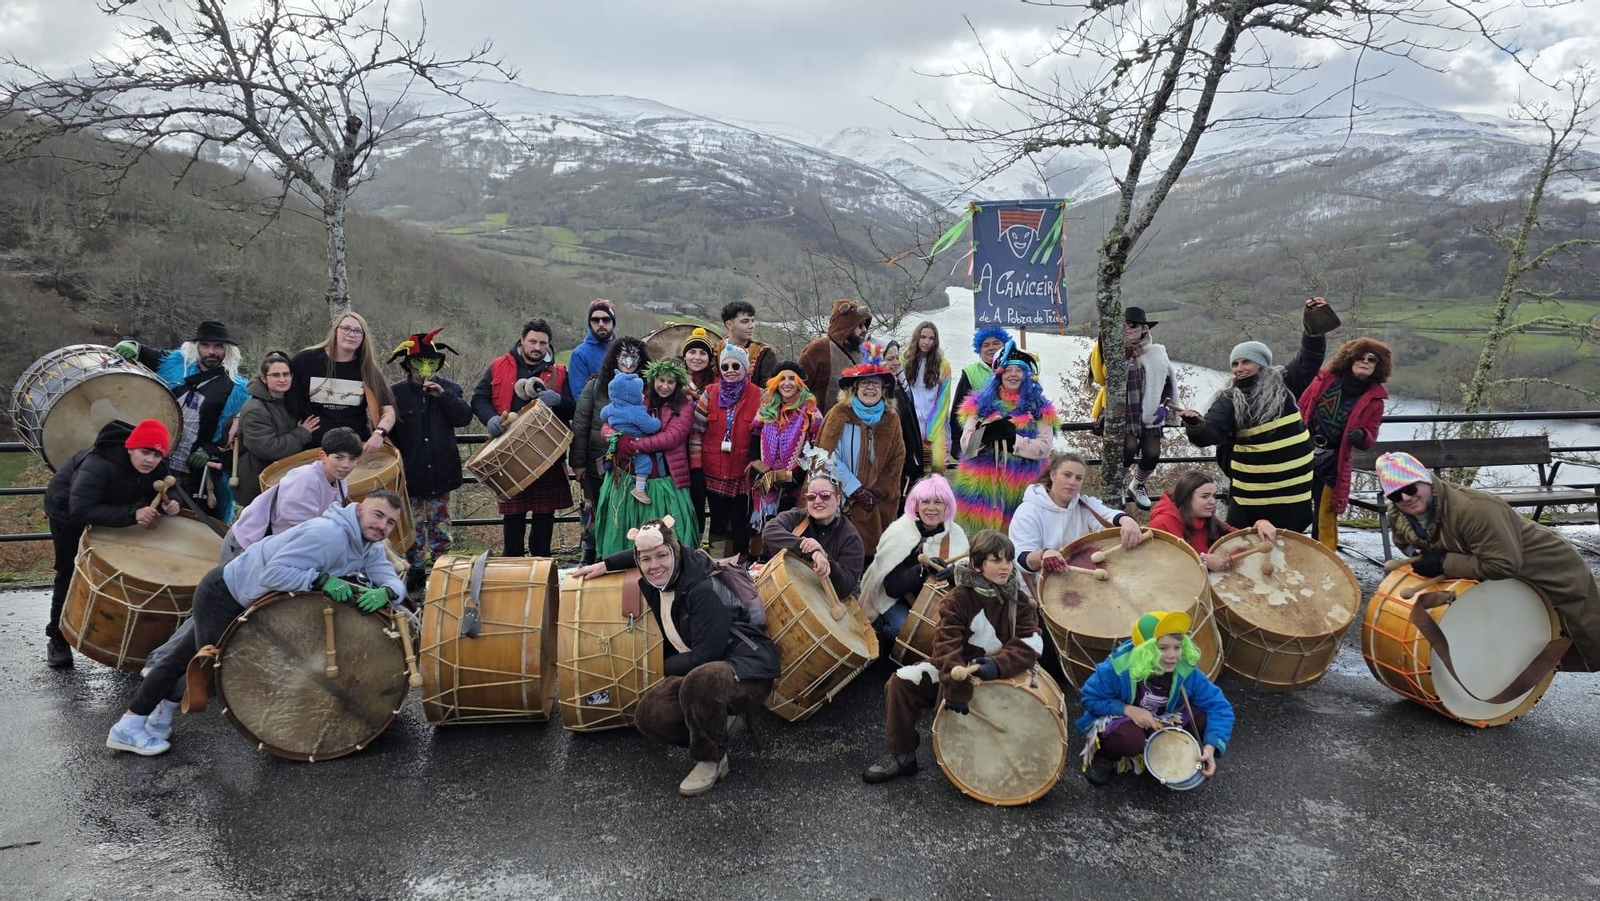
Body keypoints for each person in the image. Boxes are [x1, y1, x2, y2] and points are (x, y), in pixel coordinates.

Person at [104, 492, 409, 756]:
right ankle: (129, 726)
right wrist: (321, 579)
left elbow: (393, 583)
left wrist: (386, 592)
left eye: (390, 522)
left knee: (183, 660)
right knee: (205, 667)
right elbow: (272, 574)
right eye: (377, 515)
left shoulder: (368, 546)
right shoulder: (327, 534)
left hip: (245, 597)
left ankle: (157, 718)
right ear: (358, 510)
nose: (382, 526)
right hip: (225, 594)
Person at [571, 517, 780, 797]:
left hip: (746, 669)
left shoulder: (702, 589)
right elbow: (646, 550)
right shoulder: (662, 576)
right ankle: (717, 728)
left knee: (700, 680)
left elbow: (705, 657)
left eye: (661, 556)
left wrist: (656, 666)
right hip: (704, 673)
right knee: (648, 715)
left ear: (675, 552)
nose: (654, 565)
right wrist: (607, 564)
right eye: (645, 560)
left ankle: (712, 759)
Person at [143, 428, 365, 677]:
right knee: (218, 607)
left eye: (352, 459)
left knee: (235, 610)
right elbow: (297, 536)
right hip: (246, 545)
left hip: (268, 549)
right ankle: (160, 662)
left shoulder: (339, 481)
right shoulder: (304, 481)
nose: (346, 465)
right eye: (339, 457)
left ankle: (221, 668)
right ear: (323, 456)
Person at [1379, 451, 1600, 671]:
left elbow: (1502, 564)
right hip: (1502, 571)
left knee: (1585, 639)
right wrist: (1417, 553)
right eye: (1396, 495)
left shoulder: (1474, 509)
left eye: (1410, 488)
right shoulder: (1398, 513)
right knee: (1514, 645)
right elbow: (1404, 541)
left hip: (1550, 569)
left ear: (1426, 481)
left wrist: (1442, 563)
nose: (1405, 498)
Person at [862, 529, 1043, 783]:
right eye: (997, 560)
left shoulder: (1019, 600)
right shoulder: (958, 597)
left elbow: (1031, 643)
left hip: (1001, 676)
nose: (1006, 567)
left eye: (1009, 560)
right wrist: (956, 684)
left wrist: (997, 665)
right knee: (901, 682)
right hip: (958, 670)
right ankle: (901, 757)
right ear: (977, 565)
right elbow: (945, 645)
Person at [1179, 297, 1331, 532]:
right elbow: (1209, 434)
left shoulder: (1285, 383)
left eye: (1246, 362)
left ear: (1261, 363)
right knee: (1244, 543)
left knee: (1288, 544)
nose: (1239, 368)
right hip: (1253, 494)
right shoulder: (1229, 398)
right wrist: (1196, 424)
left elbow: (1310, 357)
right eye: (1235, 364)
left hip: (1293, 491)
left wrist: (1313, 325)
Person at [41, 419, 178, 668]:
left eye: (157, 455)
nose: (150, 460)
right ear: (130, 448)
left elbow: (162, 487)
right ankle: (58, 638)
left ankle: (124, 636)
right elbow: (80, 510)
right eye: (145, 452)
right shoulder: (99, 464)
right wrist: (132, 515)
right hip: (67, 513)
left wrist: (172, 504)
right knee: (70, 572)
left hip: (111, 508)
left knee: (129, 572)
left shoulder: (156, 465)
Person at [1075, 610, 1235, 786]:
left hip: (1162, 718)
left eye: (1177, 646)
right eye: (1163, 648)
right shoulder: (1117, 668)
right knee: (1129, 739)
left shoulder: (1185, 670)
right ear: (1146, 650)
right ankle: (1106, 756)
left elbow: (1219, 707)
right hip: (1122, 719)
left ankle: (1175, 750)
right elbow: (1089, 698)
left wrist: (1211, 746)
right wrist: (1128, 709)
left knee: (1204, 716)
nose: (1173, 655)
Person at [115, 320, 249, 519]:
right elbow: (141, 351)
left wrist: (209, 450)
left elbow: (232, 433)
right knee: (143, 518)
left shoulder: (236, 389)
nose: (211, 351)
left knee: (188, 527)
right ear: (197, 347)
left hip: (194, 472)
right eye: (205, 345)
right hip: (154, 461)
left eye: (218, 346)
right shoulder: (176, 365)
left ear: (227, 350)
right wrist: (129, 345)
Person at [472, 318, 577, 558]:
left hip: (546, 456)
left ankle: (539, 574)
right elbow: (478, 399)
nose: (537, 347)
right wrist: (490, 420)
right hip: (508, 454)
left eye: (543, 343)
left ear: (548, 345)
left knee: (544, 520)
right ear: (522, 341)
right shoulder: (499, 365)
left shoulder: (560, 372)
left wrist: (558, 400)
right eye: (532, 341)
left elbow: (574, 408)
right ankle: (513, 573)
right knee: (512, 521)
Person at [387, 328, 473, 592]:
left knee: (440, 530)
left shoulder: (450, 389)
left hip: (441, 474)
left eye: (431, 364)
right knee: (410, 531)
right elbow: (387, 431)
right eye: (418, 364)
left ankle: (442, 572)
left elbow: (465, 417)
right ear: (407, 366)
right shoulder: (395, 395)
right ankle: (414, 572)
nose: (424, 370)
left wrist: (443, 396)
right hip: (410, 477)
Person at [593, 358, 700, 556]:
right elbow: (607, 424)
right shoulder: (637, 399)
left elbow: (671, 438)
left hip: (664, 479)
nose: (665, 386)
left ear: (678, 383)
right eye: (661, 380)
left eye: (671, 382)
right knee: (626, 528)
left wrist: (634, 445)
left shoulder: (684, 407)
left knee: (665, 534)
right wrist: (617, 437)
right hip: (628, 477)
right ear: (652, 380)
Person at [953, 340, 1058, 538]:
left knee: (1020, 542)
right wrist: (987, 433)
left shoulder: (1039, 408)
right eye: (1008, 370)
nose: (1012, 374)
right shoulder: (979, 405)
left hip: (1021, 490)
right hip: (981, 491)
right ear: (999, 374)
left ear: (1026, 375)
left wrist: (1013, 441)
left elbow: (1044, 446)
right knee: (982, 545)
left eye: (1018, 370)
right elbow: (966, 445)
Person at [1297, 338, 1391, 550]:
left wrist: (1362, 435)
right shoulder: (1325, 379)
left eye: (1372, 359)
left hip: (1332, 462)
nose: (1365, 362)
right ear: (1349, 359)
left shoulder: (1375, 400)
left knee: (1325, 515)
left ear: (1378, 366)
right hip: (1302, 453)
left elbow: (1370, 438)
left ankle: (1326, 562)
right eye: (1360, 357)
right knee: (1294, 507)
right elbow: (1301, 408)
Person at [856, 474, 969, 645]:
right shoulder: (899, 532)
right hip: (895, 600)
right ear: (916, 505)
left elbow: (968, 580)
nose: (931, 508)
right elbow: (891, 588)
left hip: (934, 604)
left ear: (947, 506)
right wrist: (922, 570)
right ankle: (882, 634)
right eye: (925, 502)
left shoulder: (956, 534)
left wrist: (956, 573)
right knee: (903, 628)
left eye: (938, 502)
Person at [817, 344, 906, 558]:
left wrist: (875, 492)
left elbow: (896, 461)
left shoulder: (891, 420)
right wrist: (854, 489)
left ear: (883, 390)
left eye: (875, 383)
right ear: (854, 388)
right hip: (838, 498)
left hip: (875, 502)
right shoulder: (839, 413)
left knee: (868, 556)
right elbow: (825, 456)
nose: (870, 388)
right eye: (864, 383)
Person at [1089, 307, 1177, 510]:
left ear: (1144, 329)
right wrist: (1104, 349)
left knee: (1153, 453)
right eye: (1123, 326)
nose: (1127, 329)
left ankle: (1137, 484)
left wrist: (1166, 407)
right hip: (1122, 411)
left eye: (1133, 325)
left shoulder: (1156, 353)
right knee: (1127, 448)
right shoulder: (1112, 351)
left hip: (1149, 411)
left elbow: (1168, 382)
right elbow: (1101, 379)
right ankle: (1117, 484)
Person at [1009, 452, 1144, 585]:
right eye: (1067, 475)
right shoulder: (1027, 511)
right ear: (1053, 475)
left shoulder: (1084, 504)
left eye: (1078, 478)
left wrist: (1127, 521)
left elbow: (1107, 515)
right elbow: (1021, 558)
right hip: (1037, 593)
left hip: (1079, 585)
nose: (1072, 482)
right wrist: (1042, 555)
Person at [571, 337, 648, 563]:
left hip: (631, 463)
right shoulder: (595, 386)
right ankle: (590, 550)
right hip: (598, 459)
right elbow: (581, 424)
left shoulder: (646, 387)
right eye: (623, 355)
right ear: (614, 358)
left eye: (634, 356)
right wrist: (577, 462)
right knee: (592, 507)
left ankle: (623, 553)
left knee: (623, 509)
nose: (628, 361)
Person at [288, 311, 397, 456]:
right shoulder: (305, 360)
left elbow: (388, 411)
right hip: (311, 449)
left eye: (358, 331)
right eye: (346, 328)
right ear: (336, 330)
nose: (351, 334)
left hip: (353, 451)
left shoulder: (368, 369)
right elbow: (278, 387)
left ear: (363, 337)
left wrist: (379, 434)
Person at [691, 343, 762, 561]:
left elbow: (763, 436)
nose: (730, 370)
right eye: (725, 366)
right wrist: (696, 469)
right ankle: (716, 560)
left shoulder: (759, 396)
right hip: (713, 470)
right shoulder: (709, 394)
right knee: (718, 521)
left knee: (741, 520)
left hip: (742, 472)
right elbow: (696, 434)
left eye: (735, 365)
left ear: (745, 368)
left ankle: (742, 561)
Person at [761, 474, 868, 601]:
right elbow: (769, 531)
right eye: (811, 497)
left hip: (820, 606)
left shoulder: (850, 538)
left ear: (838, 499)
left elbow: (845, 587)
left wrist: (826, 559)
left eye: (825, 496)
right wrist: (811, 552)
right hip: (783, 592)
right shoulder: (797, 516)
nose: (817, 501)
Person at [233, 350, 318, 508]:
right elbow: (268, 448)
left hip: (280, 481)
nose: (282, 379)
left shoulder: (288, 402)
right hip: (258, 484)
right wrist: (302, 433)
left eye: (286, 374)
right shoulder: (255, 409)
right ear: (264, 378)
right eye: (276, 375)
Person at [1149, 470, 1279, 571]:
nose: (1212, 501)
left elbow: (1238, 538)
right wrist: (1203, 561)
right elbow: (1162, 564)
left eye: (1213, 496)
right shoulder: (1162, 523)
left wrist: (1260, 524)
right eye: (1205, 496)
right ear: (1186, 497)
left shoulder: (1207, 519)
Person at [749, 362, 824, 531]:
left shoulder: (812, 412)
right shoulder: (766, 410)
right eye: (782, 379)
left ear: (800, 383)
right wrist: (762, 472)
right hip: (766, 481)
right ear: (776, 382)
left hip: (795, 483)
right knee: (766, 531)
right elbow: (753, 444)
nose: (787, 383)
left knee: (788, 531)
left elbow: (816, 450)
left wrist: (794, 477)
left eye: (792, 378)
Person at [901, 321, 954, 482]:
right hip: (910, 419)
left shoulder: (943, 365)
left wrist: (931, 430)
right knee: (909, 465)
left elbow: (944, 400)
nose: (926, 342)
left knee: (937, 464)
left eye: (931, 338)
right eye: (923, 337)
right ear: (916, 338)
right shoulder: (903, 361)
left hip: (934, 422)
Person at [600, 369, 663, 506]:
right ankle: (639, 490)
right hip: (634, 444)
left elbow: (602, 416)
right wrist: (658, 421)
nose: (642, 395)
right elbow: (650, 427)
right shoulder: (636, 411)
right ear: (630, 395)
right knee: (645, 463)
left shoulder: (610, 407)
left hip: (616, 444)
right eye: (640, 393)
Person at [798, 299, 871, 414]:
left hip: (854, 423)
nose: (864, 330)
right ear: (846, 325)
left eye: (865, 325)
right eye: (860, 325)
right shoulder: (819, 348)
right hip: (819, 424)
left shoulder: (861, 352)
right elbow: (798, 388)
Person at [681, 327, 721, 534]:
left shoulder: (716, 384)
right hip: (678, 452)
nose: (697, 357)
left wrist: (697, 397)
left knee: (707, 503)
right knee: (683, 504)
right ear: (685, 355)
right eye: (692, 352)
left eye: (703, 353)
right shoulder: (673, 380)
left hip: (707, 452)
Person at [947, 326, 1008, 456]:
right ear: (979, 350)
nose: (991, 347)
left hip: (1010, 439)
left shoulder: (1015, 370)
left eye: (996, 343)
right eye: (986, 345)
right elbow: (958, 411)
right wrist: (957, 445)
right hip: (979, 442)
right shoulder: (970, 373)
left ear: (1005, 345)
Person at [884, 340, 926, 496]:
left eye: (897, 358)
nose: (896, 363)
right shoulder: (874, 397)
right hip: (888, 469)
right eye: (889, 359)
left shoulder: (902, 389)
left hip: (907, 465)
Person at [721, 300, 778, 388]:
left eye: (752, 321)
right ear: (729, 325)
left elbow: (770, 390)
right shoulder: (714, 352)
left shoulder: (764, 353)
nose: (751, 326)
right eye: (745, 321)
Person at [567, 298, 617, 392]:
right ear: (590, 324)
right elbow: (580, 395)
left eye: (606, 319)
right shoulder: (579, 354)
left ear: (613, 322)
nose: (601, 324)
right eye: (595, 320)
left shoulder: (625, 349)